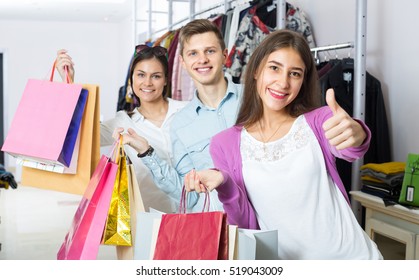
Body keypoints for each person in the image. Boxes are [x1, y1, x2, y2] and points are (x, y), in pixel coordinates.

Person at [184, 29, 383, 259]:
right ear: (257, 70)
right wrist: (224, 183)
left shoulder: (318, 121)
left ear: (302, 81)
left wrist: (357, 133)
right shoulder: (224, 143)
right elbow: (246, 224)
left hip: (354, 260)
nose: (283, 82)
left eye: (295, 74)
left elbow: (349, 147)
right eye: (274, 68)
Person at [115, 19, 243, 212]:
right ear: (182, 62)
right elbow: (187, 195)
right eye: (193, 53)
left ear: (225, 55)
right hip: (216, 227)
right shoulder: (181, 123)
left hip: (263, 225)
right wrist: (146, 151)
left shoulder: (254, 100)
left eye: (210, 51)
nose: (202, 60)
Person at [55, 46, 187, 214]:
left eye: (156, 76)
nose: (147, 83)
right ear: (131, 79)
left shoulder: (186, 111)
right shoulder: (123, 121)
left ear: (166, 80)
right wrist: (69, 83)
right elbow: (84, 132)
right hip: (149, 219)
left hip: (194, 215)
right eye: (141, 75)